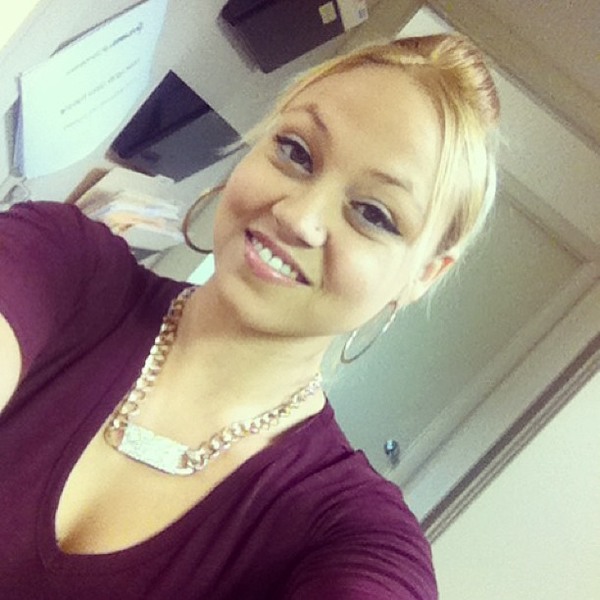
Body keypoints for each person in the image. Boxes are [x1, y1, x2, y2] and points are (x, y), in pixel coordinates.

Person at [0, 33, 499, 599]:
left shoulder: (355, 534)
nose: (299, 217)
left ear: (423, 275)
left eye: (373, 214)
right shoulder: (63, 263)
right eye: (297, 152)